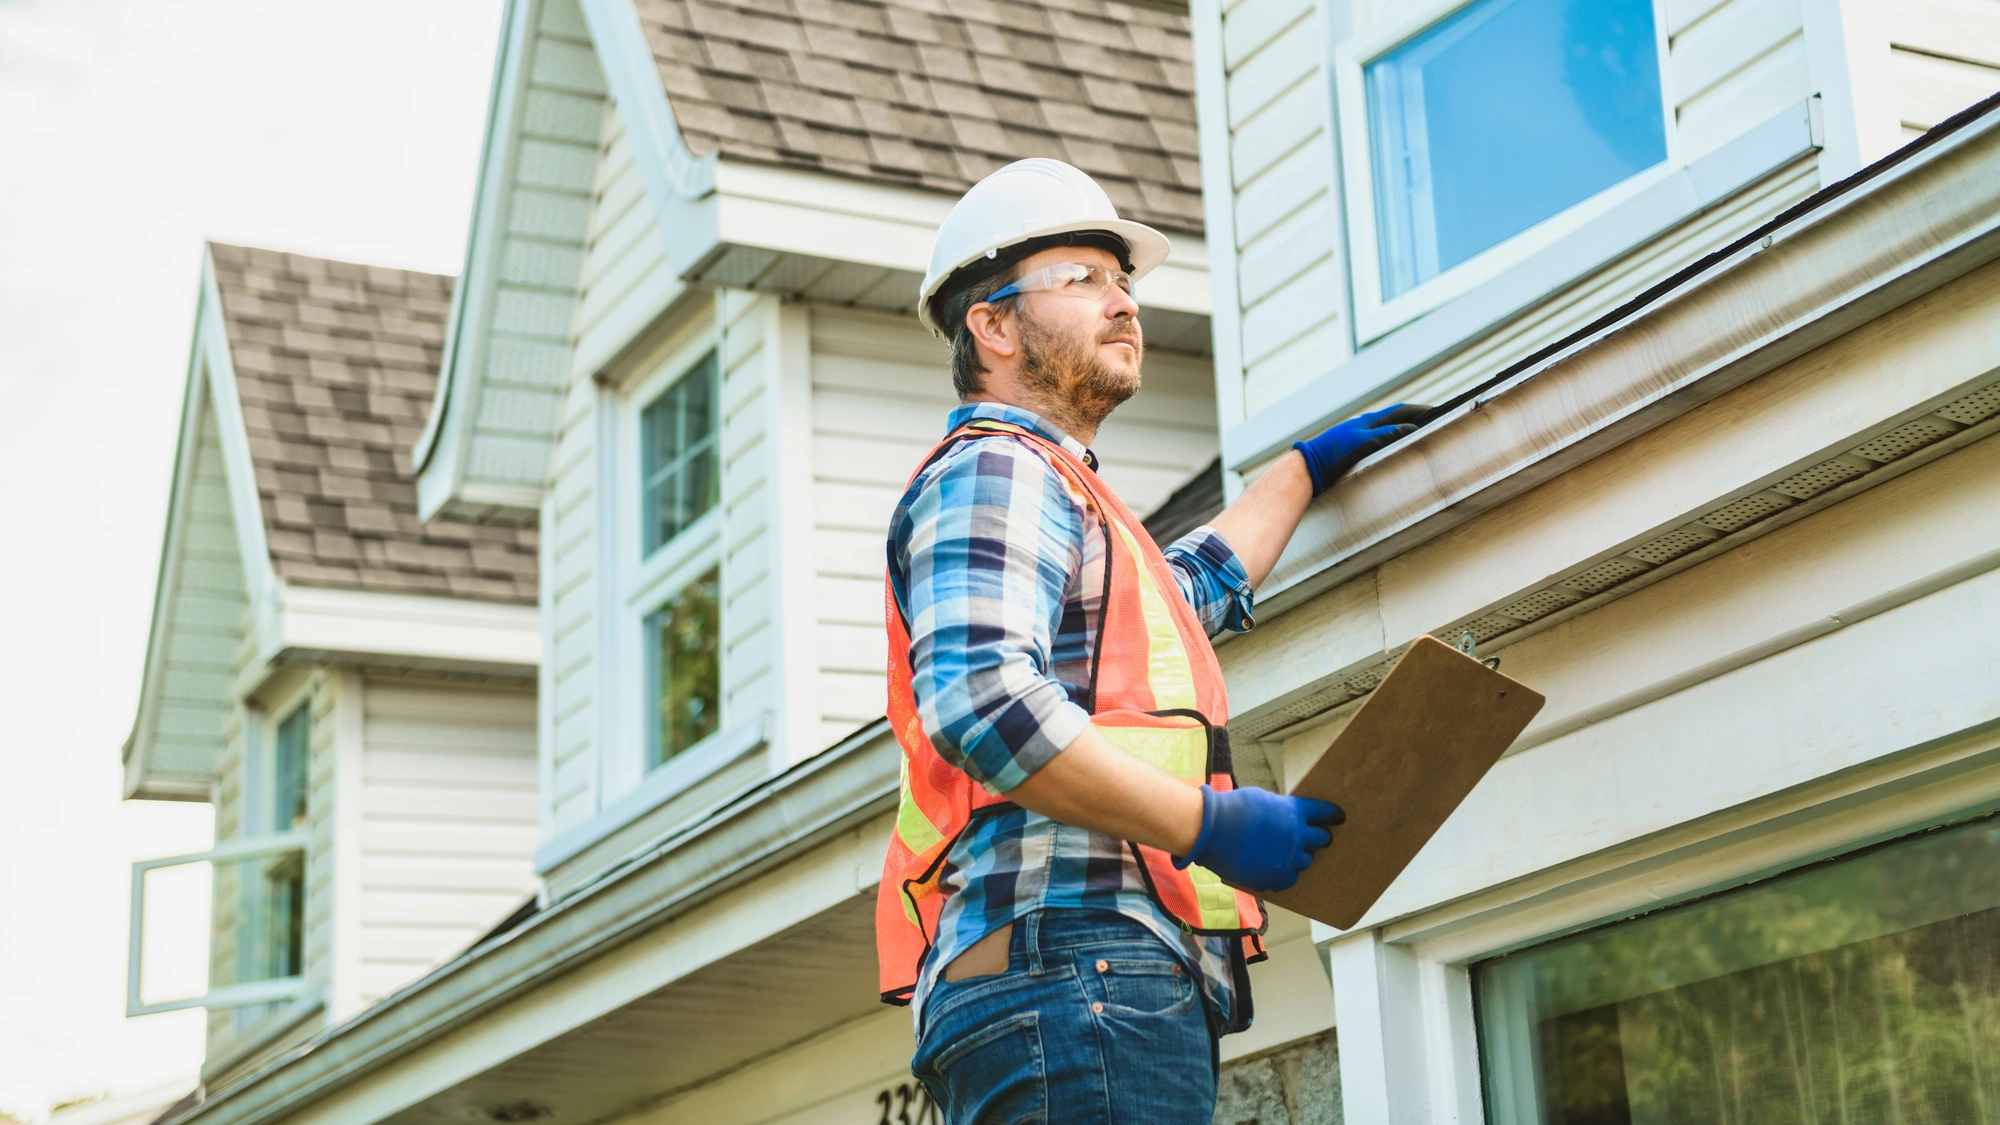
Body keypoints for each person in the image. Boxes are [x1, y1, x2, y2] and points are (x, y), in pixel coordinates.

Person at [876, 158, 1428, 1125]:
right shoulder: (998, 469)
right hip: (1075, 966)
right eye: (1082, 278)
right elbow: (984, 703)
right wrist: (1210, 826)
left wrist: (1297, 473)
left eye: (1123, 279)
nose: (1122, 301)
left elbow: (1185, 593)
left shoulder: (1067, 495)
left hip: (1079, 975)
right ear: (993, 326)